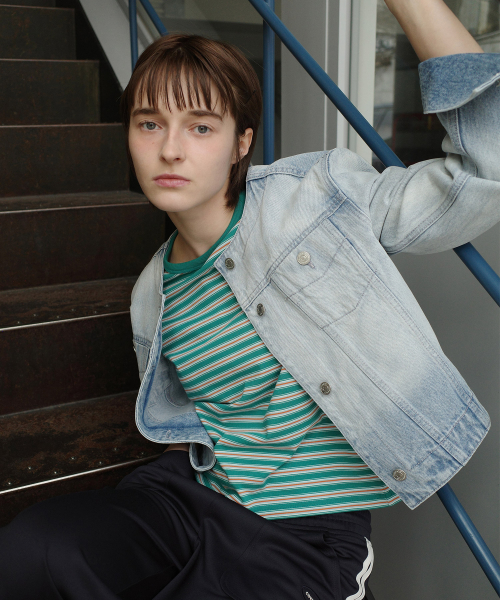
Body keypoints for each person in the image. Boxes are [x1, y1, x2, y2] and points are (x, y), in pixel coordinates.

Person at [0, 0, 499, 598]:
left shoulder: (313, 199)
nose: (170, 149)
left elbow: (483, 173)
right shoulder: (150, 292)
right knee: (33, 549)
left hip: (305, 532)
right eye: (149, 123)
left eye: (201, 127)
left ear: (242, 143)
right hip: (190, 497)